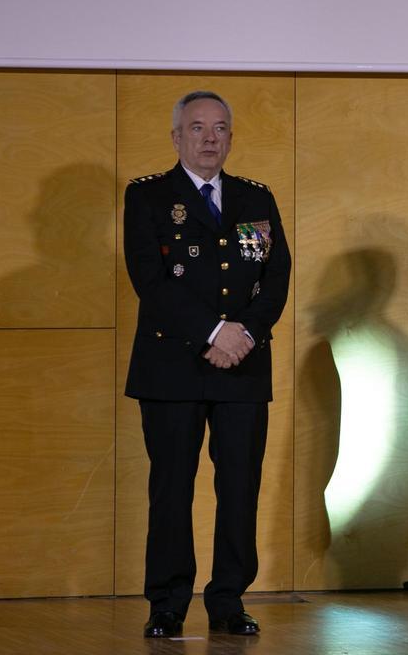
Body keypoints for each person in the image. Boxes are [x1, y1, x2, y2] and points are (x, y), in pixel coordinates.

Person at [123, 90, 290, 638]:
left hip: (242, 364)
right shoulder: (147, 198)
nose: (210, 139)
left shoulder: (255, 199)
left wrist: (244, 334)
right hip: (174, 365)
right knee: (172, 486)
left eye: (220, 129)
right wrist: (215, 332)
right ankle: (167, 603)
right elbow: (149, 280)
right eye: (197, 128)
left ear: (231, 138)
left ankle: (228, 600)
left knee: (239, 486)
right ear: (176, 138)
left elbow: (274, 277)